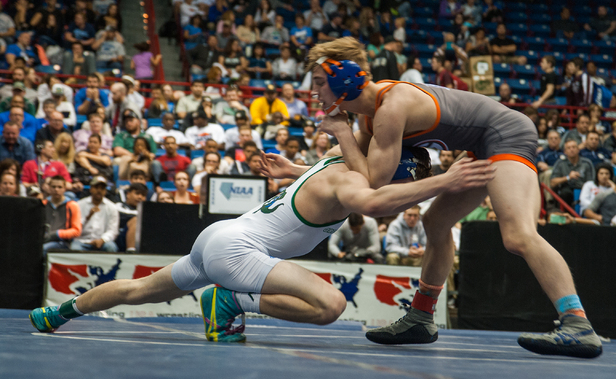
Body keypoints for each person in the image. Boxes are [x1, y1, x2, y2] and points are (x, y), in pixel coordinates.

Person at [305, 37, 603, 358]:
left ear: (342, 77)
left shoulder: (391, 107)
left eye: (320, 82)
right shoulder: (371, 114)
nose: (315, 92)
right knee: (435, 222)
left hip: (506, 133)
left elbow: (374, 180)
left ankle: (577, 323)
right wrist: (293, 169)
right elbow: (348, 159)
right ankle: (421, 317)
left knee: (518, 236)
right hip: (481, 143)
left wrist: (343, 131)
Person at [28, 140, 494, 342]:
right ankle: (231, 303)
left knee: (137, 288)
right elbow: (378, 205)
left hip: (220, 236)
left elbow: (344, 178)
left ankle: (58, 312)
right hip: (238, 253)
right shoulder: (354, 185)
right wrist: (445, 182)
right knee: (331, 305)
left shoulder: (335, 161)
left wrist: (292, 171)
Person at [72, 176, 119, 252]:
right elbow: (75, 228)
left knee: (110, 247)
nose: (99, 190)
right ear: (90, 189)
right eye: (96, 187)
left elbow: (113, 230)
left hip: (103, 241)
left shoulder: (112, 207)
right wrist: (88, 217)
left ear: (105, 191)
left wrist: (102, 240)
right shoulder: (79, 205)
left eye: (102, 188)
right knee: (75, 249)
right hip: (82, 241)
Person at [42, 175, 82, 255]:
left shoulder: (72, 205)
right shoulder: (43, 204)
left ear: (64, 189)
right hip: (43, 239)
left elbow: (77, 231)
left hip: (63, 242)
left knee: (43, 249)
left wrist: (57, 234)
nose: (56, 189)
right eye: (53, 187)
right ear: (49, 188)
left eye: (59, 187)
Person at [549, 139, 595, 207]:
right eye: (569, 148)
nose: (571, 149)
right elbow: (552, 182)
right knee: (565, 193)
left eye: (574, 147)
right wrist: (568, 177)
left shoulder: (587, 163)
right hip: (567, 191)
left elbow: (591, 183)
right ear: (565, 151)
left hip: (584, 190)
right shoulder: (560, 163)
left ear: (578, 149)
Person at [114, 182, 148, 252]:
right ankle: (131, 252)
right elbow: (123, 216)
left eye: (143, 195)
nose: (140, 197)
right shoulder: (119, 206)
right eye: (137, 193)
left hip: (142, 240)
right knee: (136, 220)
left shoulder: (146, 211)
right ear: (128, 194)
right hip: (120, 237)